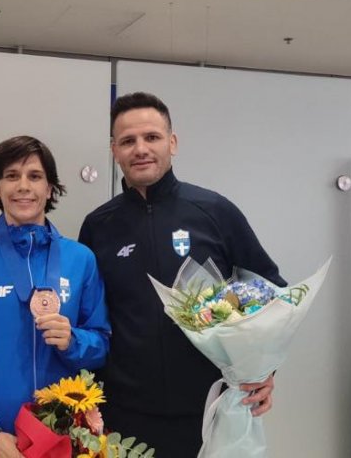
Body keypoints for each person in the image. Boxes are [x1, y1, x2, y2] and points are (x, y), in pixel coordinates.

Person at [77, 92, 287, 457]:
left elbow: (271, 292)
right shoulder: (98, 226)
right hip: (123, 418)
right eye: (128, 141)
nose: (140, 149)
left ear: (172, 143)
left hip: (211, 410)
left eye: (152, 137)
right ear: (114, 151)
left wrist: (265, 372)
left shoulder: (214, 211)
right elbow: (88, 319)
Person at [0, 136, 111, 458]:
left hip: (61, 440)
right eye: (11, 176)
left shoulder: (80, 260)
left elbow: (101, 344)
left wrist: (73, 341)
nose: (23, 186)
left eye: (34, 176)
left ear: (50, 188)